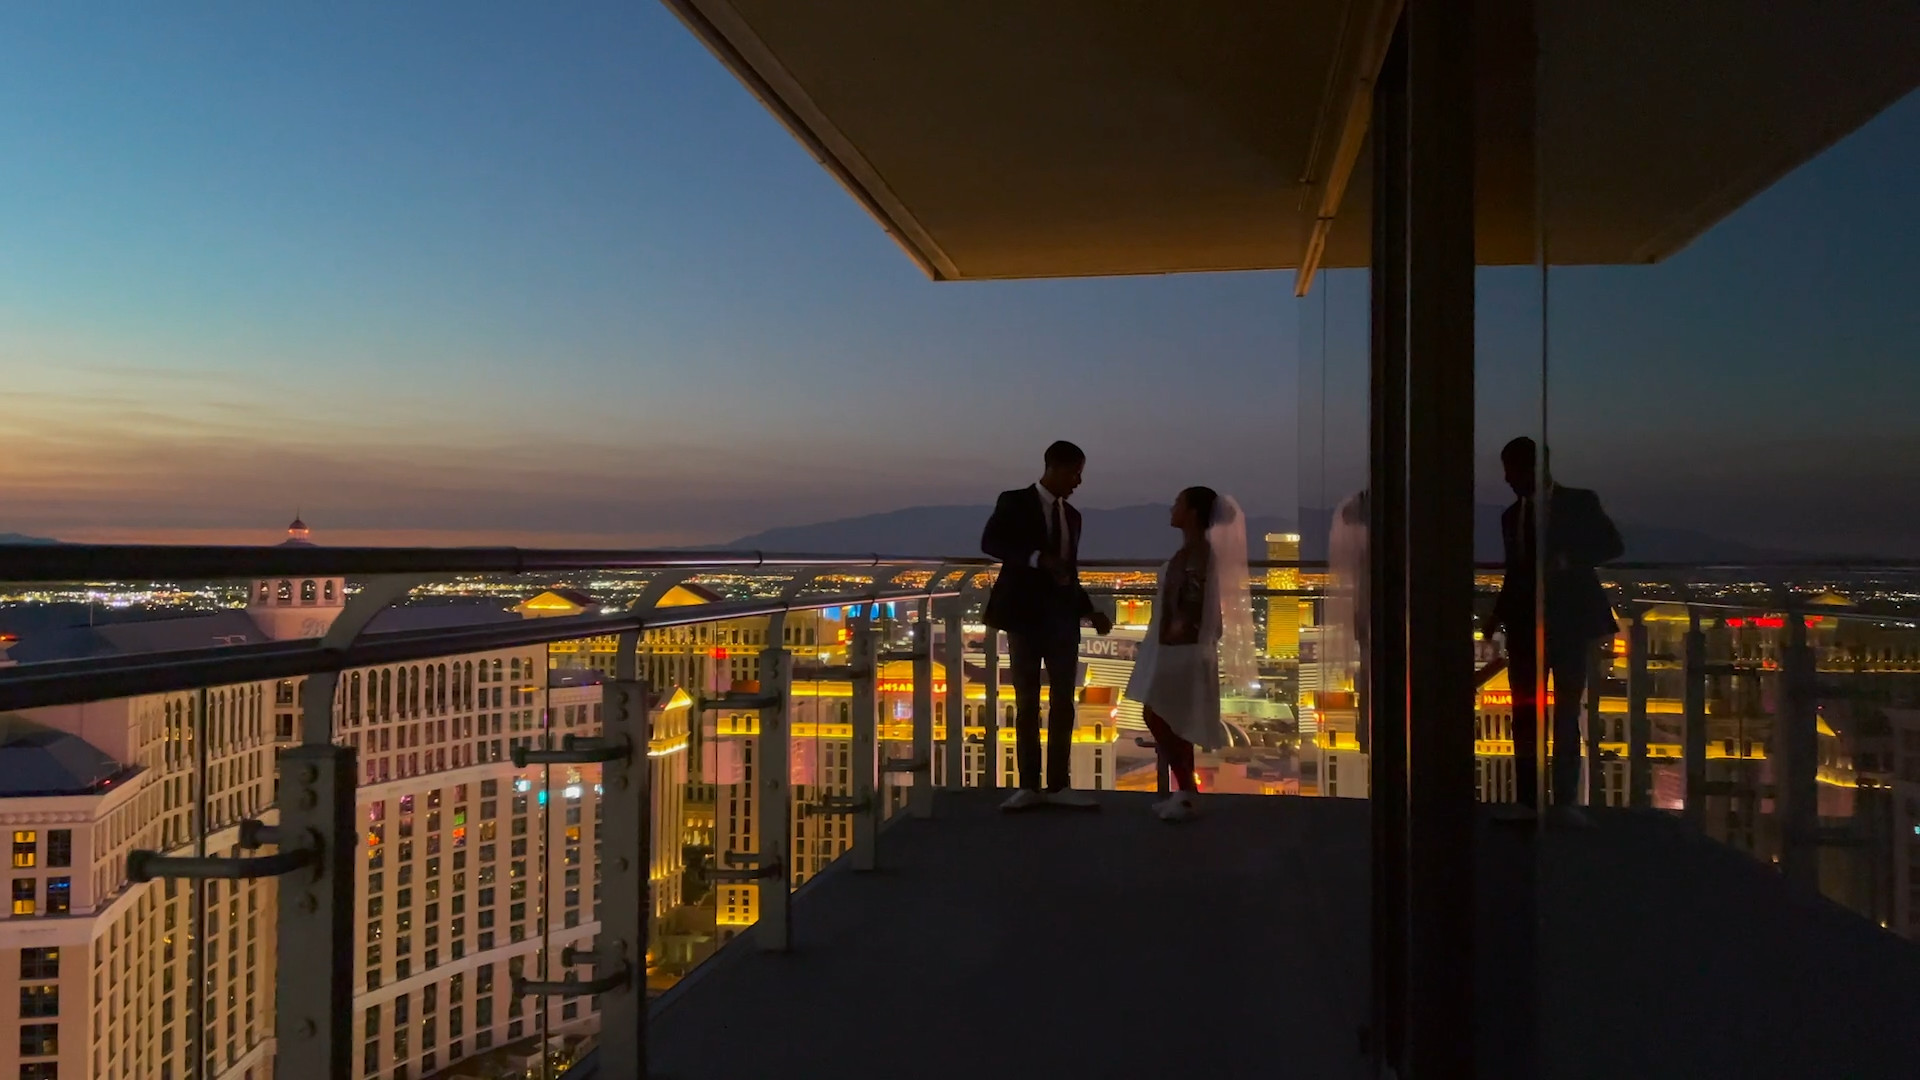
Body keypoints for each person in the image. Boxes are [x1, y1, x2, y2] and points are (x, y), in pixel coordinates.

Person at [1489, 436, 1623, 820]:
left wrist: (1567, 559)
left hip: (1567, 623)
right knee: (1528, 715)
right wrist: (1498, 616)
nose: (1507, 479)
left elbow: (1612, 545)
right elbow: (1516, 573)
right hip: (1528, 626)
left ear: (1534, 469)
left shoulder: (1579, 502)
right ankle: (1533, 800)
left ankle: (1561, 801)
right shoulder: (1512, 516)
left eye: (1512, 471)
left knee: (1564, 712)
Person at [982, 441, 1114, 810]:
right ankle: (1029, 785)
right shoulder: (1014, 501)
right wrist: (1038, 558)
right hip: (1024, 617)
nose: (1078, 482)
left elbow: (1069, 573)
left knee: (1063, 703)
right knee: (1026, 702)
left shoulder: (1072, 516)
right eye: (1074, 473)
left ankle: (1057, 785)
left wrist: (1088, 610)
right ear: (1054, 468)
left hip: (1062, 620)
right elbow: (991, 542)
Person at [1123, 486, 1258, 821]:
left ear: (1193, 513)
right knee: (1172, 717)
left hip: (1179, 649)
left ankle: (1185, 790)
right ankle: (1185, 792)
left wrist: (1174, 636)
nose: (1172, 508)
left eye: (1178, 503)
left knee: (1160, 714)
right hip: (1175, 645)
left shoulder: (1198, 555)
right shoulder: (1195, 551)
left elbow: (1194, 604)